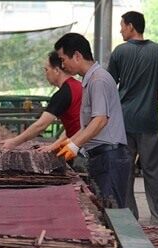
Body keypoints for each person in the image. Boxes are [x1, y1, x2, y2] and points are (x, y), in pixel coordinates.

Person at [107, 11, 158, 224]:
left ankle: (128, 216)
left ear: (131, 27)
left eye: (122, 25)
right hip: (149, 122)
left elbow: (109, 86)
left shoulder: (119, 52)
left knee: (124, 170)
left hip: (124, 121)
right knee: (152, 171)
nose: (120, 30)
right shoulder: (157, 51)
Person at [53, 33, 129, 208]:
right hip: (101, 157)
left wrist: (75, 145)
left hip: (109, 157)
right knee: (104, 210)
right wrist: (68, 141)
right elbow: (89, 126)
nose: (63, 66)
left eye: (64, 60)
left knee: (113, 212)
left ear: (77, 56)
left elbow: (100, 120)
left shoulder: (98, 80)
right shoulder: (90, 81)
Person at [1, 51, 82, 153]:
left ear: (57, 70)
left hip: (83, 147)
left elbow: (41, 125)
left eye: (46, 70)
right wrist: (55, 145)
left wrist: (14, 142)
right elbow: (74, 127)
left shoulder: (63, 94)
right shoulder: (78, 86)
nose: (45, 74)